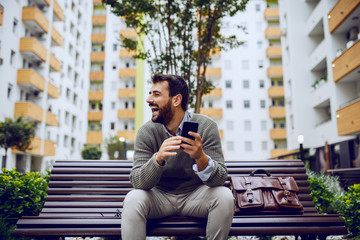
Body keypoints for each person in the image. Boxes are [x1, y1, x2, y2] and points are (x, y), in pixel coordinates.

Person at [121, 74, 234, 240]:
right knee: (133, 198)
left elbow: (219, 180)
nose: (148, 99)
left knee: (224, 196)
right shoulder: (147, 132)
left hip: (195, 197)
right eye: (150, 93)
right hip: (160, 198)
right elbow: (138, 182)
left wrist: (200, 157)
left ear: (176, 100)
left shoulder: (206, 126)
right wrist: (157, 159)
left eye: (156, 94)